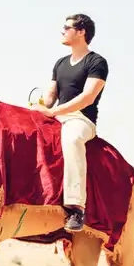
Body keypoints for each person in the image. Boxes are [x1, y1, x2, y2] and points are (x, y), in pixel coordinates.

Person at [34, 14, 107, 232]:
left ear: (81, 31)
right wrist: (39, 108)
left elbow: (88, 97)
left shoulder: (97, 62)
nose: (62, 31)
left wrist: (55, 110)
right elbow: (50, 95)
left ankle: (76, 207)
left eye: (67, 27)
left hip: (81, 119)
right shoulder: (60, 63)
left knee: (72, 138)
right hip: (58, 114)